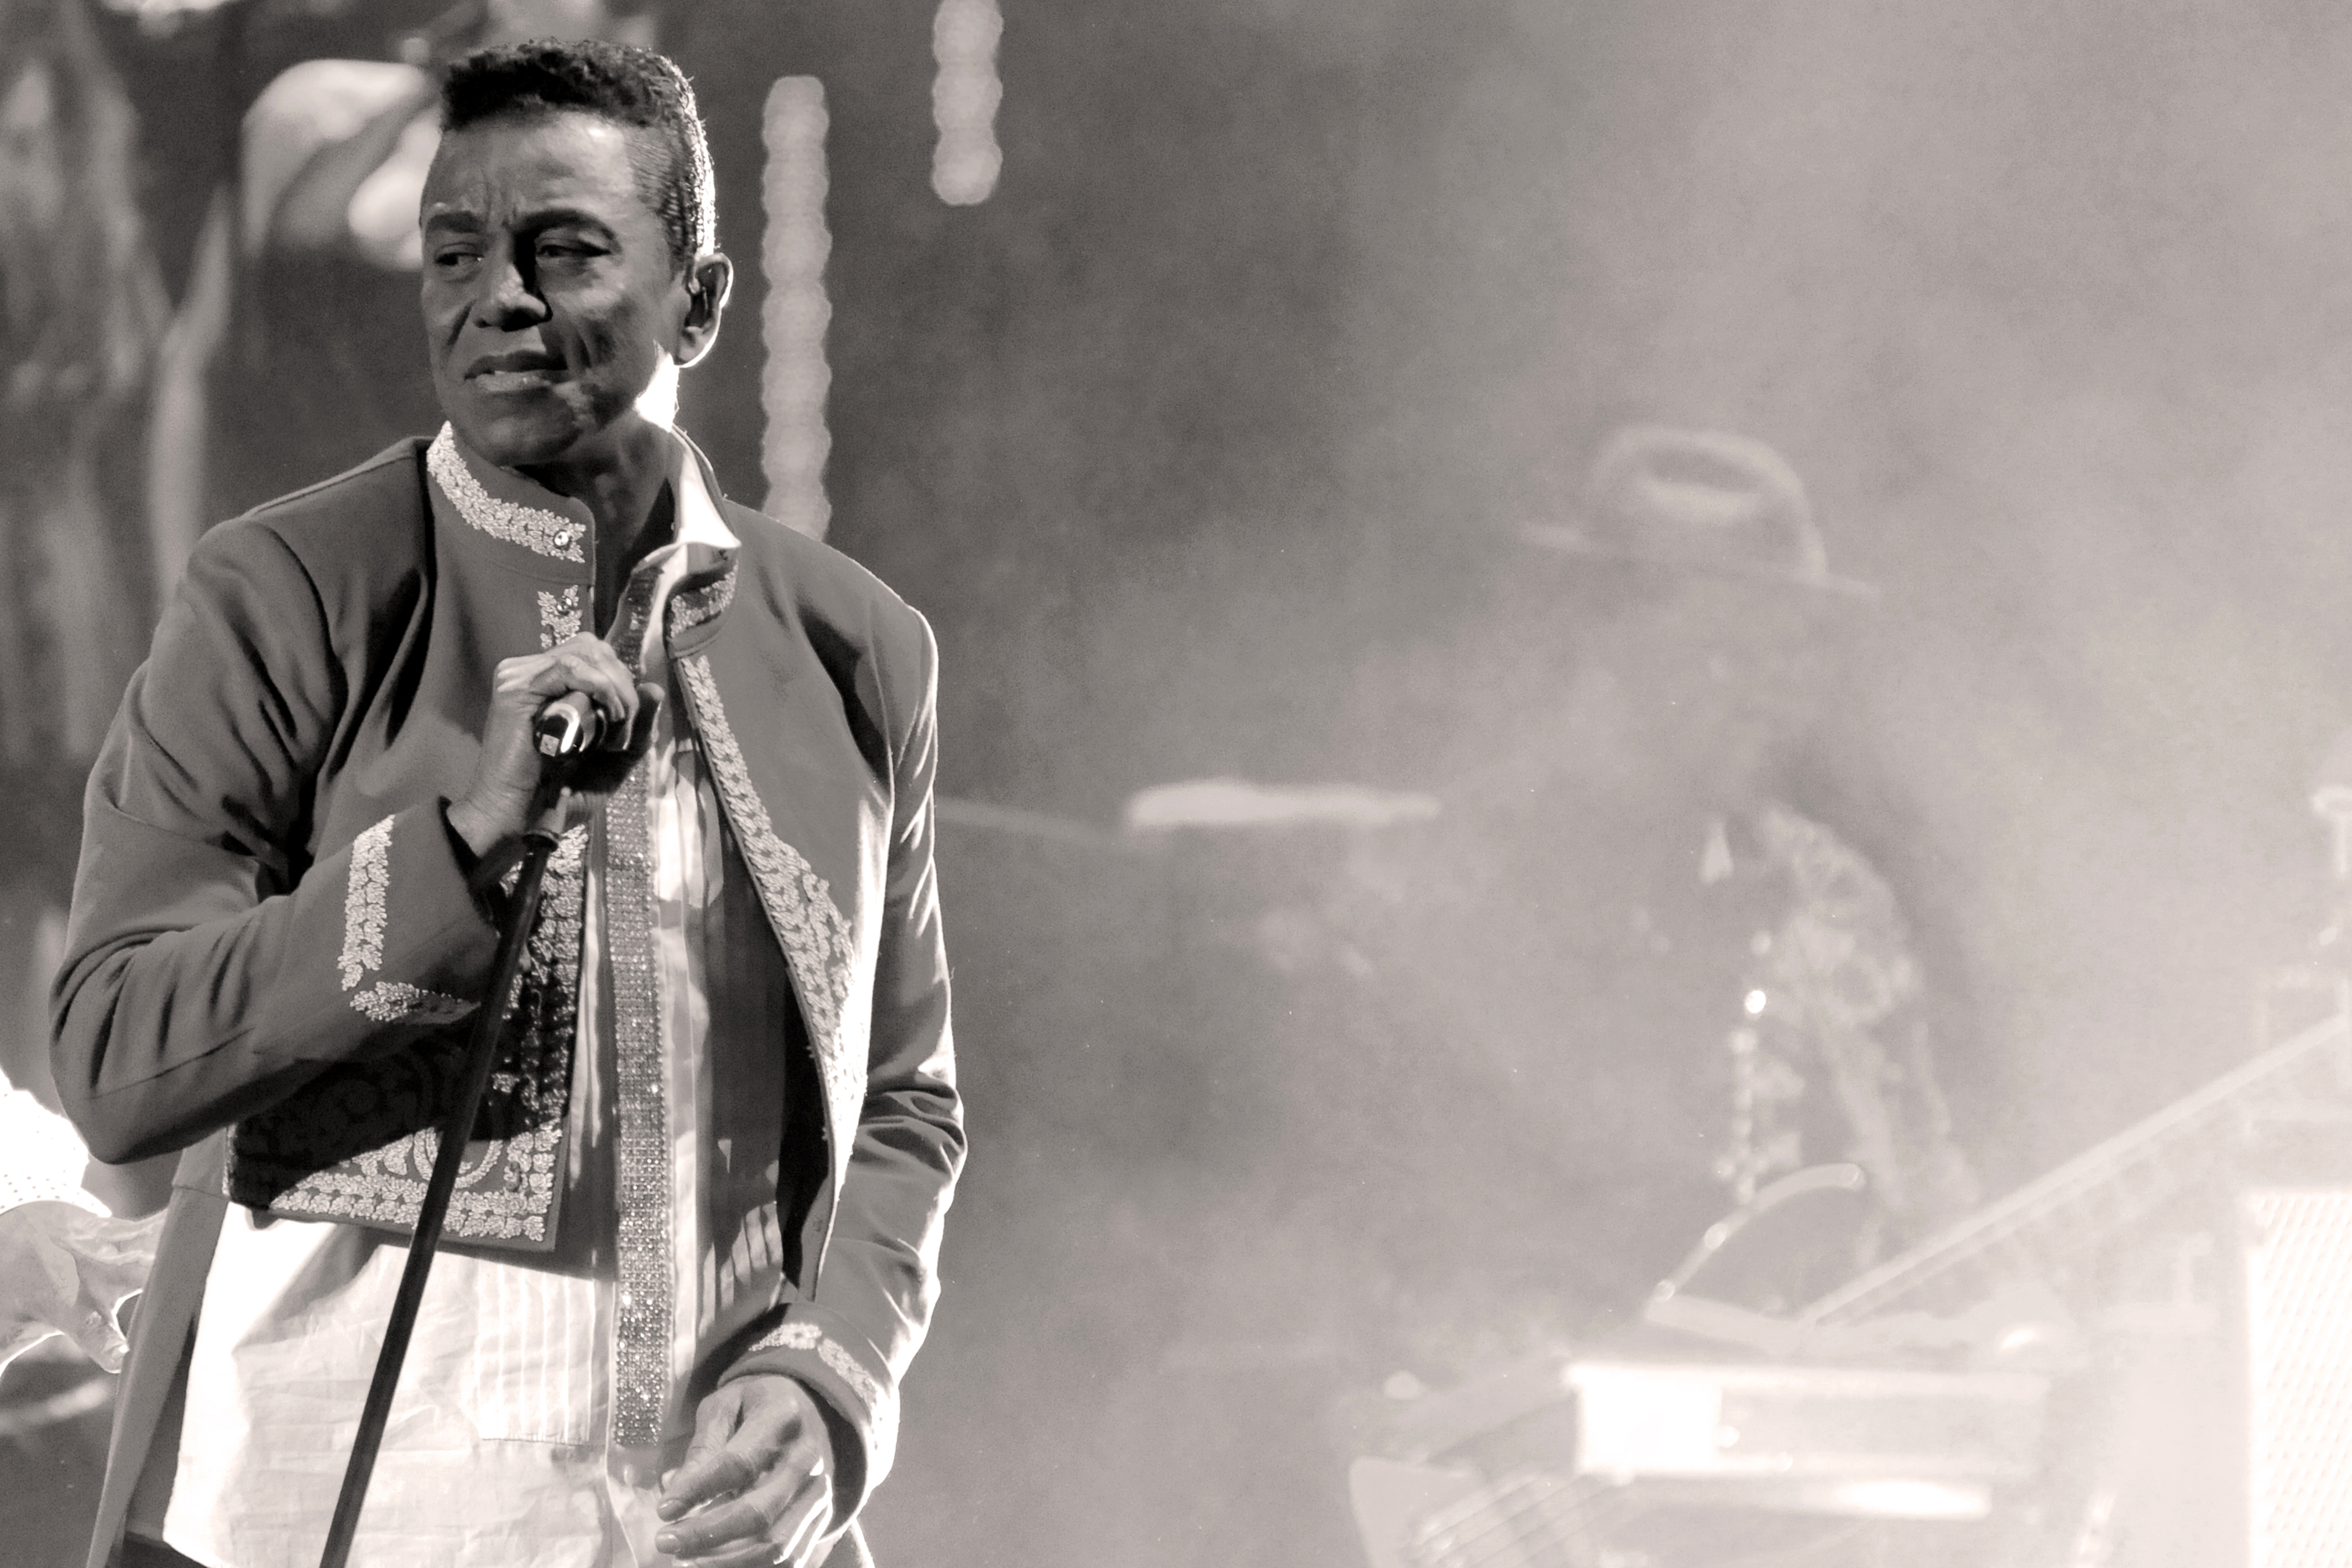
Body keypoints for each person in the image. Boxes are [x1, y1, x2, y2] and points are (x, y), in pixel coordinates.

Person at [53, 37, 961, 1568]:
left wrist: (837, 1372)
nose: (502, 298)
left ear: (703, 297)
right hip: (342, 1503)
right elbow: (116, 1053)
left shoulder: (852, 645)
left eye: (567, 248)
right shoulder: (289, 592)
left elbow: (904, 1099)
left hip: (703, 1529)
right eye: (457, 250)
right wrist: (462, 852)